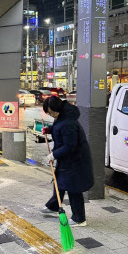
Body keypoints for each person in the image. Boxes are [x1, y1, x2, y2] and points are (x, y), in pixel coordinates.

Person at [41, 96, 94, 227]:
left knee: (73, 188)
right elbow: (58, 128)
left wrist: (53, 155)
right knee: (59, 182)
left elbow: (70, 146)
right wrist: (49, 130)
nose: (51, 115)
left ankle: (79, 219)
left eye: (51, 112)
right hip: (67, 159)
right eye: (48, 113)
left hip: (75, 161)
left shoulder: (68, 124)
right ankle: (54, 207)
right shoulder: (62, 117)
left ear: (57, 109)